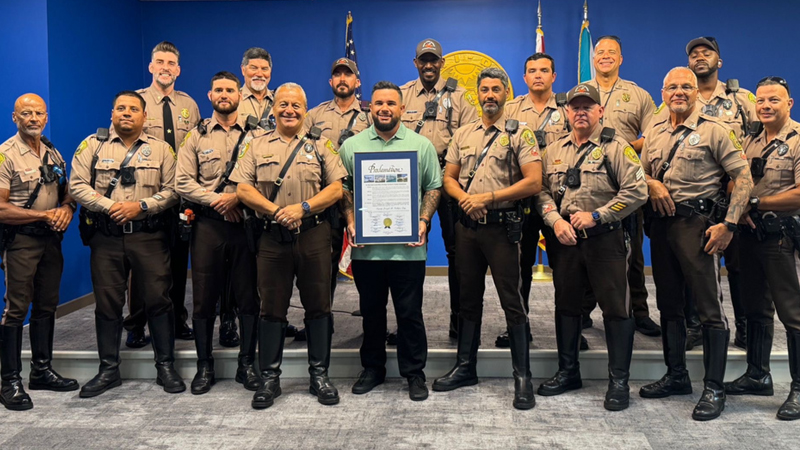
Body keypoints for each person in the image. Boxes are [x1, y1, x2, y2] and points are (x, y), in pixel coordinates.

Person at [639, 67, 753, 421]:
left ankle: (714, 388)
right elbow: (636, 172)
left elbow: (743, 178)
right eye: (672, 87)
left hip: (698, 226)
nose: (678, 92)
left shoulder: (714, 130)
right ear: (663, 92)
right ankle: (676, 376)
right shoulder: (655, 130)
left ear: (696, 92)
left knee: (708, 309)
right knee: (669, 305)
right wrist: (651, 184)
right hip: (661, 226)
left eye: (686, 87)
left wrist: (729, 225)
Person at [232, 83, 346, 409]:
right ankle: (269, 379)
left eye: (296, 105)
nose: (289, 110)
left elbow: (336, 189)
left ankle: (320, 376)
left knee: (319, 306)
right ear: (273, 109)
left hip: (313, 234)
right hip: (272, 237)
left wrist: (303, 208)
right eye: (283, 104)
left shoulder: (321, 145)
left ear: (305, 110)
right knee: (271, 308)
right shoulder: (255, 145)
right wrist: (276, 212)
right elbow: (243, 188)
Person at [433, 68, 541, 410]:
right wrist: (465, 198)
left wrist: (488, 198)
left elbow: (534, 182)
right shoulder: (463, 133)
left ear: (506, 93)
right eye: (485, 89)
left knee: (512, 302)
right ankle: (466, 367)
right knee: (468, 300)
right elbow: (447, 177)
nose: (490, 94)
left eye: (496, 89)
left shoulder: (520, 134)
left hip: (501, 228)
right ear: (477, 94)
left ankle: (522, 377)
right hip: (468, 228)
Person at [536, 83, 647, 411]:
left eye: (588, 107)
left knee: (615, 309)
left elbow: (637, 192)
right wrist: (555, 219)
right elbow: (541, 190)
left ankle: (618, 381)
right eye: (575, 107)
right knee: (567, 306)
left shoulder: (616, 147)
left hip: (606, 240)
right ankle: (568, 371)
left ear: (600, 111)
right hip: (566, 241)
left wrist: (599, 215)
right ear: (567, 112)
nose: (581, 112)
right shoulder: (554, 149)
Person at [71, 91, 185, 398]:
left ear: (144, 117)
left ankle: (165, 366)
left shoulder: (161, 150)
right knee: (108, 303)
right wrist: (108, 206)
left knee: (158, 298)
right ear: (112, 113)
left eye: (133, 109)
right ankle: (108, 369)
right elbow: (76, 184)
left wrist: (143, 206)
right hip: (106, 238)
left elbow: (175, 189)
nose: (126, 113)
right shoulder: (91, 146)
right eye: (120, 108)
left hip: (148, 235)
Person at [340, 81, 442, 402]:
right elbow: (343, 190)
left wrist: (423, 221)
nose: (384, 108)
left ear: (401, 108)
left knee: (410, 313)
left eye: (391, 103)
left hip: (408, 251)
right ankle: (373, 368)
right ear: (371, 107)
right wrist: (352, 221)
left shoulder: (421, 145)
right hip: (367, 251)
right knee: (371, 313)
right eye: (378, 103)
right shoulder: (351, 147)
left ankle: (414, 373)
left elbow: (433, 187)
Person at [175, 71, 263, 394]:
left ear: (239, 94)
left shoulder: (257, 135)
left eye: (229, 89)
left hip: (245, 225)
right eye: (218, 90)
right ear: (209, 96)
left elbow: (263, 176)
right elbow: (182, 181)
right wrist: (219, 200)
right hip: (208, 225)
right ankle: (204, 365)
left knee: (248, 298)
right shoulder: (195, 136)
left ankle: (246, 365)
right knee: (203, 298)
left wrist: (237, 198)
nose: (224, 94)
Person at [724, 76, 800, 420]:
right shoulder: (749, 137)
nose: (766, 106)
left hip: (781, 236)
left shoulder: (798, 140)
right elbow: (733, 176)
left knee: (792, 313)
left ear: (789, 103)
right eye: (762, 100)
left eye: (774, 100)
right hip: (750, 234)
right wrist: (741, 207)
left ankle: (798, 389)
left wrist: (754, 201)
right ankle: (758, 374)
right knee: (756, 308)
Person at [0, 94, 78, 410]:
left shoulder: (52, 151)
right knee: (17, 308)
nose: (33, 118)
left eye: (39, 113)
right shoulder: (6, 154)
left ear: (46, 117)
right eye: (26, 113)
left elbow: (66, 191)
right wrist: (44, 215)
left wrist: (68, 209)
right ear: (14, 118)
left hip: (51, 240)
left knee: (47, 304)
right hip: (20, 239)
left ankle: (42, 371)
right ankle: (9, 381)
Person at [399, 38, 478, 340]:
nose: (429, 65)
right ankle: (407, 323)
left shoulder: (460, 97)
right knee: (406, 254)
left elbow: (470, 142)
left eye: (434, 60)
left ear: (442, 63)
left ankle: (459, 320)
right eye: (423, 60)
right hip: (409, 182)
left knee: (457, 253)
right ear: (416, 62)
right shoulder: (402, 94)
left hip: (448, 180)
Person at [683, 36, 758, 350]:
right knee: (694, 265)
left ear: (719, 61)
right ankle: (697, 325)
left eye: (707, 52)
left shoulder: (742, 98)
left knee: (739, 267)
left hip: (735, 193)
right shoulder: (682, 95)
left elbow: (759, 140)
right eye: (695, 54)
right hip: (699, 197)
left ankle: (743, 327)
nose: (701, 57)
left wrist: (744, 187)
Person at [127, 41, 200, 348]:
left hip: (181, 198)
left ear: (178, 70)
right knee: (143, 266)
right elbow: (125, 145)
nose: (166, 68)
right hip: (148, 196)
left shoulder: (189, 105)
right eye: (160, 62)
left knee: (178, 262)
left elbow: (196, 149)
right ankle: (135, 324)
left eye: (171, 63)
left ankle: (176, 319)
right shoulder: (136, 101)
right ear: (151, 66)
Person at [584, 35, 659, 338]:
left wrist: (625, 147)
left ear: (620, 58)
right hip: (589, 183)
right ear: (593, 58)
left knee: (634, 254)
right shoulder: (580, 93)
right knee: (587, 251)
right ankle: (584, 309)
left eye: (611, 52)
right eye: (600, 52)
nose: (604, 56)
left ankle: (638, 312)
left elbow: (654, 134)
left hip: (626, 183)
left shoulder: (637, 95)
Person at [501, 52, 570, 348]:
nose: (538, 75)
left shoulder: (569, 108)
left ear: (554, 76)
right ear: (524, 77)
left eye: (544, 70)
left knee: (566, 270)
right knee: (520, 268)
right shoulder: (510, 110)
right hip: (523, 200)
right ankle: (519, 325)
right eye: (532, 71)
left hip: (560, 200)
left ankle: (571, 329)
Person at [302, 57, 371, 340]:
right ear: (331, 82)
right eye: (338, 75)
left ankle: (371, 320)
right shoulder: (314, 115)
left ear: (358, 82)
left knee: (367, 262)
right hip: (328, 198)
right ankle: (322, 320)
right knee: (324, 263)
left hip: (363, 199)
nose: (343, 79)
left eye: (348, 75)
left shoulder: (369, 115)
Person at [239, 47, 275, 130]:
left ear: (270, 71)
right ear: (243, 70)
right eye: (254, 68)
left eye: (264, 69)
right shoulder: (232, 100)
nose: (259, 74)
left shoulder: (280, 100)